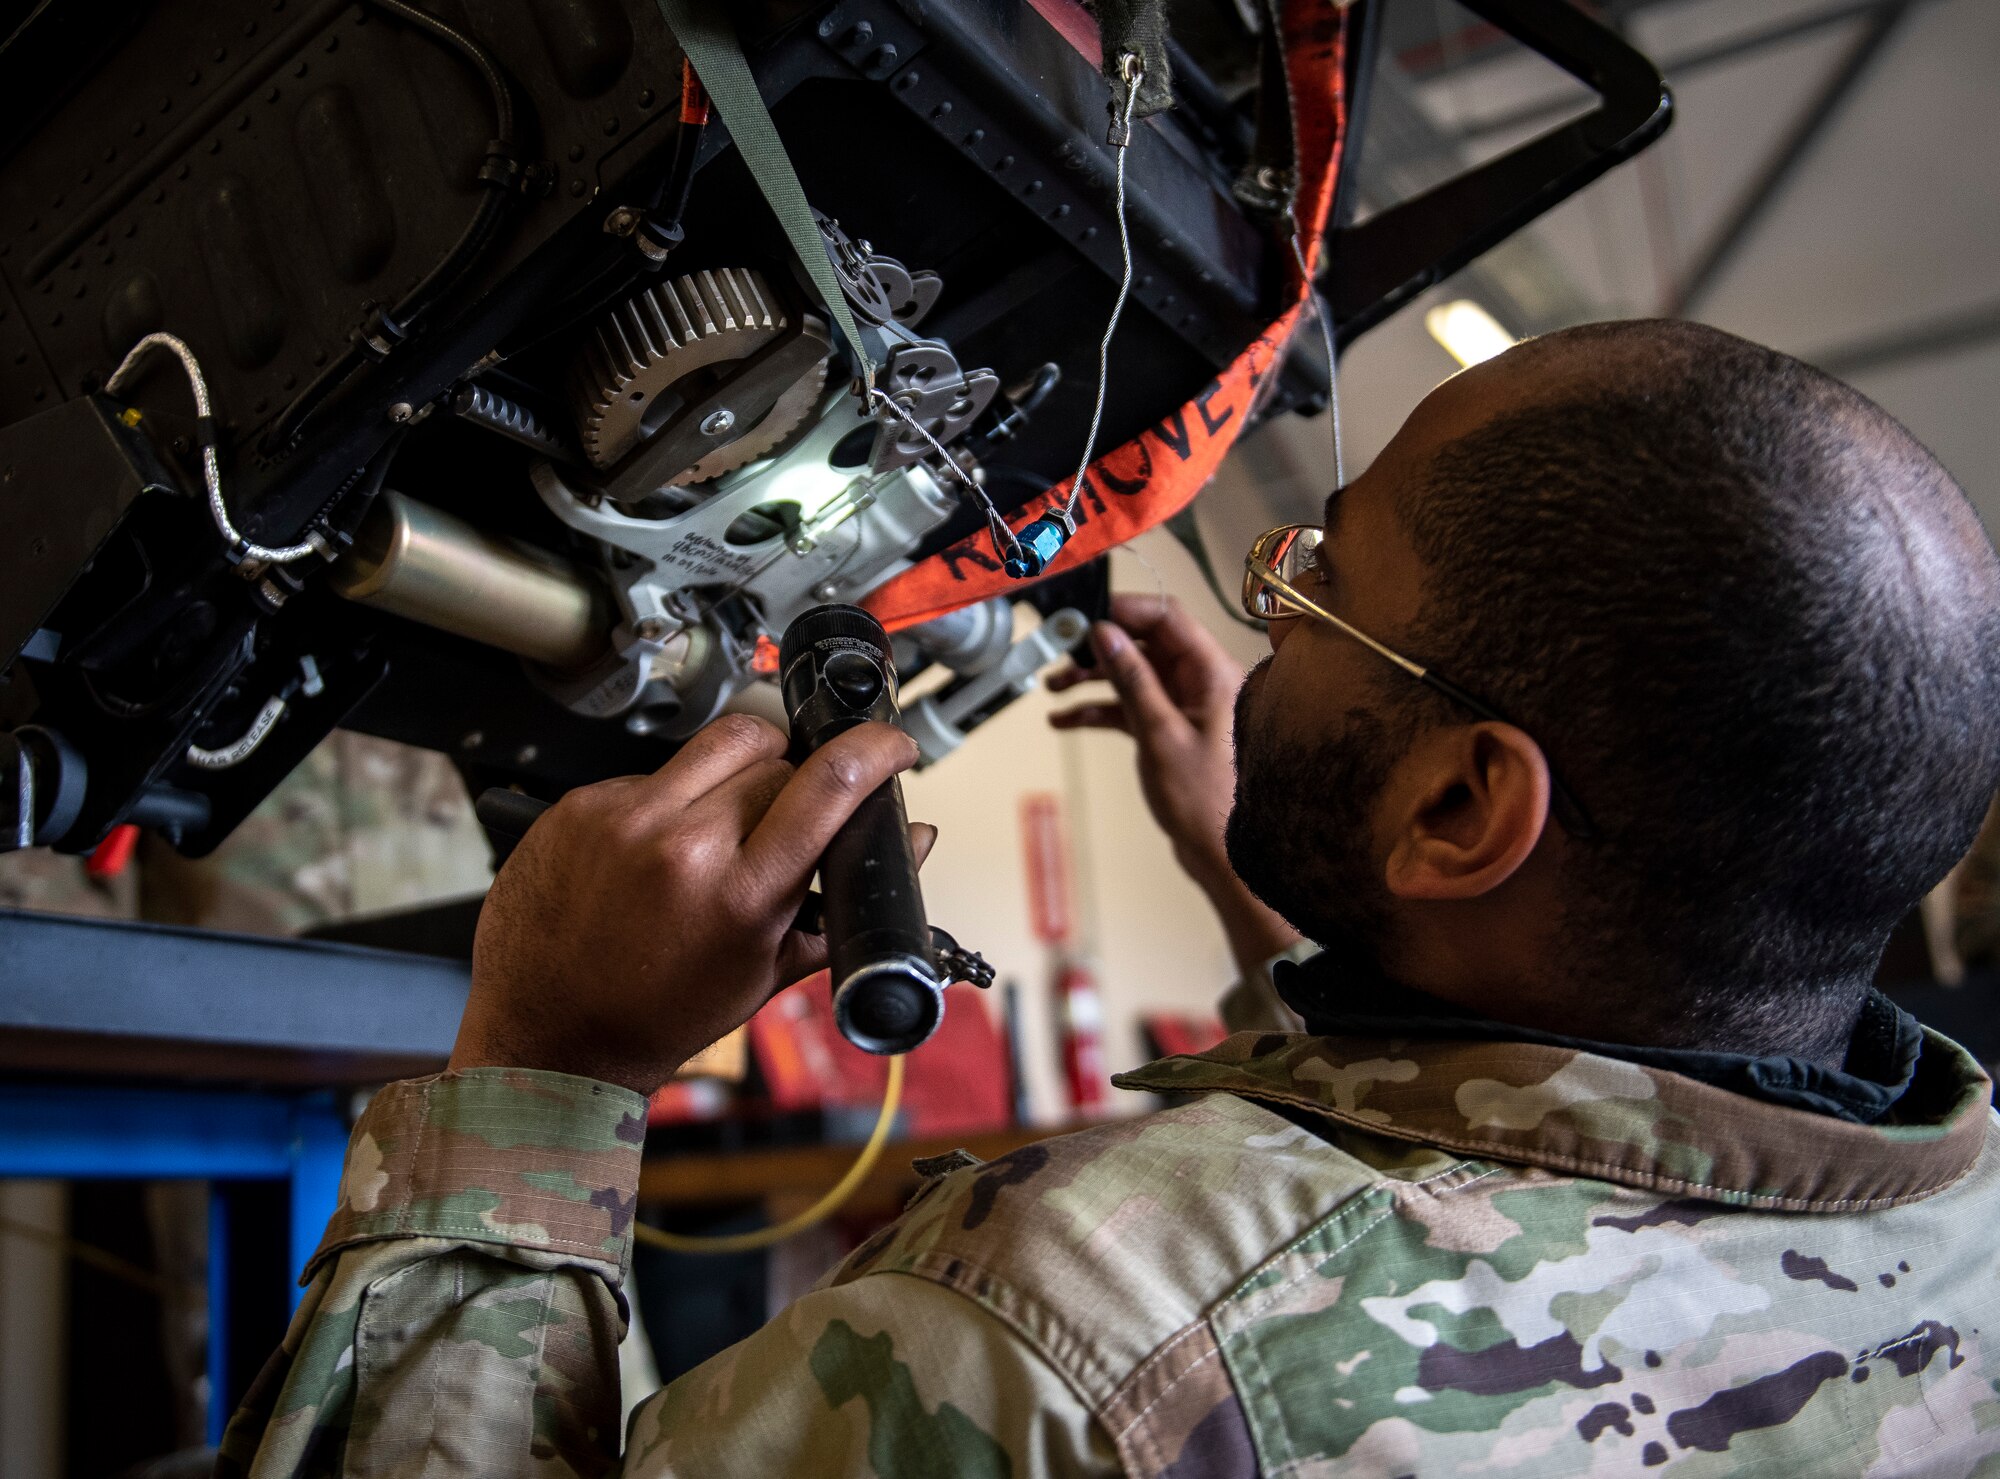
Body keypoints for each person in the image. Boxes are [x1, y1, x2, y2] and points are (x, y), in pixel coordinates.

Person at [219, 320, 2000, 1477]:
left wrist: (546, 1066)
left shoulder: (1090, 1333)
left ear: (1463, 805)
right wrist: (1288, 905)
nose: (1266, 616)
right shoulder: (1965, 1238)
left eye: (1314, 582)